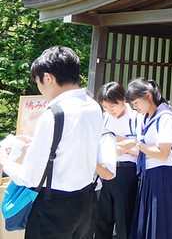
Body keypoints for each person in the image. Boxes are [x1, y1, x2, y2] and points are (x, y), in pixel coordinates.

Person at [0, 46, 103, 238]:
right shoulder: (93, 106)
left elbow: (30, 177)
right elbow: (77, 145)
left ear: (48, 78)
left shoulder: (54, 114)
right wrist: (36, 142)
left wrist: (6, 162)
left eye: (38, 81)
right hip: (85, 202)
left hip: (53, 206)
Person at [124, 78, 172, 239]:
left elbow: (163, 153)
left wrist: (137, 145)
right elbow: (146, 150)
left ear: (148, 96)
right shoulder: (146, 117)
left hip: (164, 176)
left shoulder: (165, 117)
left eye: (136, 103)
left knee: (163, 224)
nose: (135, 107)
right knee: (153, 223)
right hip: (150, 175)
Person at [95, 81, 140, 239]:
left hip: (126, 171)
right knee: (102, 217)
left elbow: (143, 147)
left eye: (113, 105)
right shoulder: (104, 118)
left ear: (124, 100)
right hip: (104, 170)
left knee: (124, 218)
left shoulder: (135, 118)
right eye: (105, 107)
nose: (109, 110)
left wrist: (124, 145)